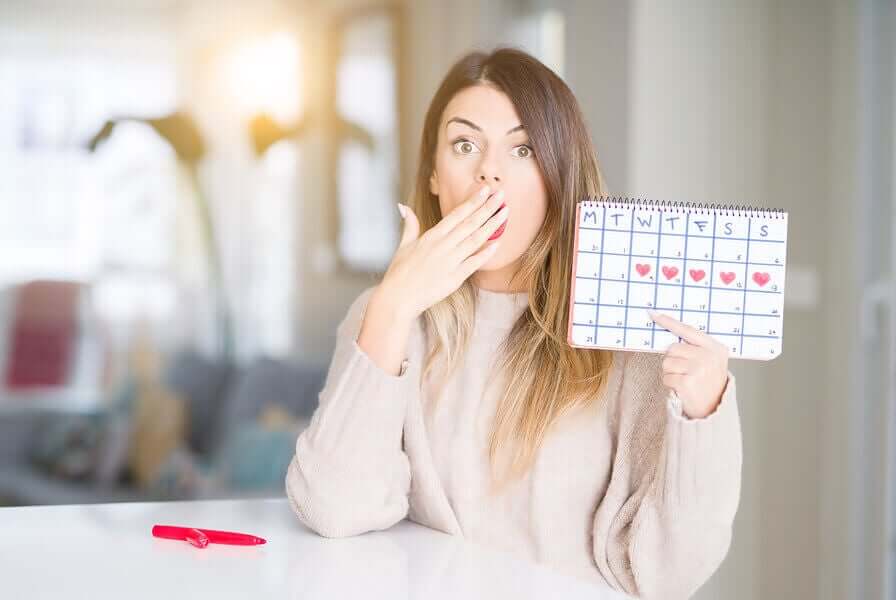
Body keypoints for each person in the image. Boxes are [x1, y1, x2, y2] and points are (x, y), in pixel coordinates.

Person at [285, 47, 741, 600]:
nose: (489, 171)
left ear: (557, 175)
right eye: (465, 144)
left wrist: (704, 409)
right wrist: (391, 307)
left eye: (522, 149)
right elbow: (334, 507)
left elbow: (669, 575)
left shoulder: (631, 330)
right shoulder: (387, 316)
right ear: (433, 175)